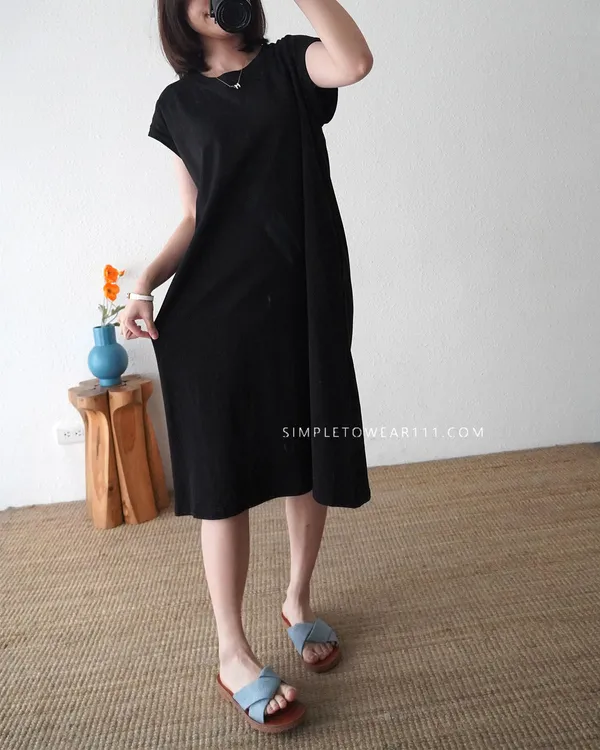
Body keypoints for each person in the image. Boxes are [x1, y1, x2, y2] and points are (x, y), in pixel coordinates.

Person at [119, 0, 373, 734]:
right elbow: (196, 215)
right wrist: (143, 283)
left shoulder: (291, 64)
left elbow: (354, 62)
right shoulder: (178, 104)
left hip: (303, 301)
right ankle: (232, 653)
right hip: (214, 315)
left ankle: (297, 599)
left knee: (307, 458)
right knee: (223, 482)